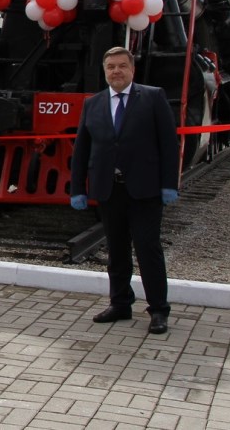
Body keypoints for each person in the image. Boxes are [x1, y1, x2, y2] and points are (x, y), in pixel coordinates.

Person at [70, 47, 179, 335]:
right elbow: (82, 150)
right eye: (110, 67)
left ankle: (158, 309)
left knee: (148, 250)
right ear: (104, 71)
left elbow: (169, 144)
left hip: (145, 190)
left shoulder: (153, 97)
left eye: (121, 66)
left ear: (132, 69)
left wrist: (169, 184)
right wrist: (78, 188)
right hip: (109, 190)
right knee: (116, 251)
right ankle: (120, 303)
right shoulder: (93, 104)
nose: (116, 71)